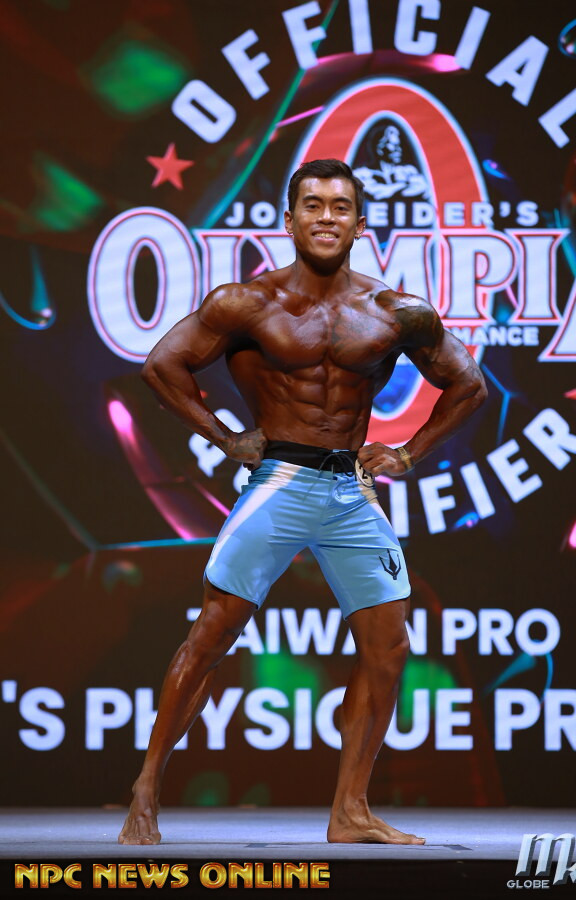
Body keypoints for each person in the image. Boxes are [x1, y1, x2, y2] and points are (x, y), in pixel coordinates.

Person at [118, 158, 487, 846]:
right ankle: (145, 789)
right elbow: (161, 366)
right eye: (312, 205)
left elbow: (469, 385)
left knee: (389, 648)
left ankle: (350, 810)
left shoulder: (395, 311)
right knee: (212, 635)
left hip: (349, 489)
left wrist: (409, 453)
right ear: (288, 221)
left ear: (360, 224)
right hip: (279, 483)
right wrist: (225, 438)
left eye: (340, 206)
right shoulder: (245, 304)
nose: (325, 217)